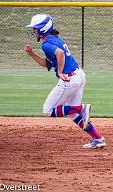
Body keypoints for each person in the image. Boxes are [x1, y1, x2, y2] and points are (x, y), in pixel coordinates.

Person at [24, 14, 106, 149]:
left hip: (69, 79)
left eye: (35, 29)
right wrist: (31, 54)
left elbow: (60, 53)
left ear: (43, 29)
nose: (33, 31)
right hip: (78, 75)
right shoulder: (54, 38)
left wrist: (61, 72)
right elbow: (47, 64)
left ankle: (82, 108)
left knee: (48, 110)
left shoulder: (47, 44)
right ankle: (98, 138)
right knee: (73, 114)